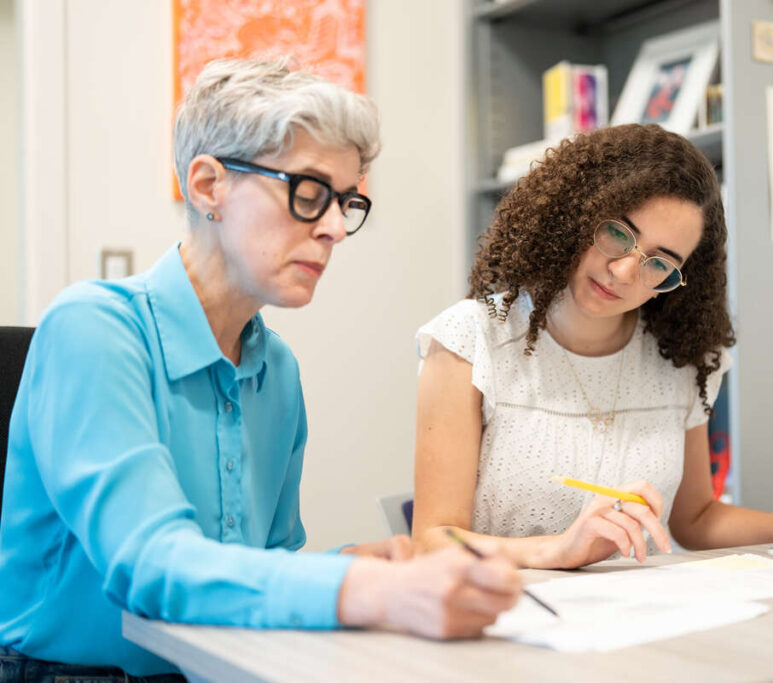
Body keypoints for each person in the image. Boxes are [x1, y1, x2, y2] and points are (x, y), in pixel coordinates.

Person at [0, 58, 520, 681]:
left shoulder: (275, 368)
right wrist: (361, 588)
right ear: (207, 185)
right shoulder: (93, 329)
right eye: (309, 193)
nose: (334, 229)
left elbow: (255, 564)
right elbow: (152, 568)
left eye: (347, 201)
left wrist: (362, 563)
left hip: (222, 660)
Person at [412, 123, 773, 569]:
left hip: (639, 619)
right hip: (506, 615)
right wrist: (559, 551)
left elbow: (697, 519)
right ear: (577, 212)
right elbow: (433, 540)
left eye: (659, 264)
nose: (624, 272)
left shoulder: (680, 359)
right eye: (617, 234)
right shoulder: (470, 340)